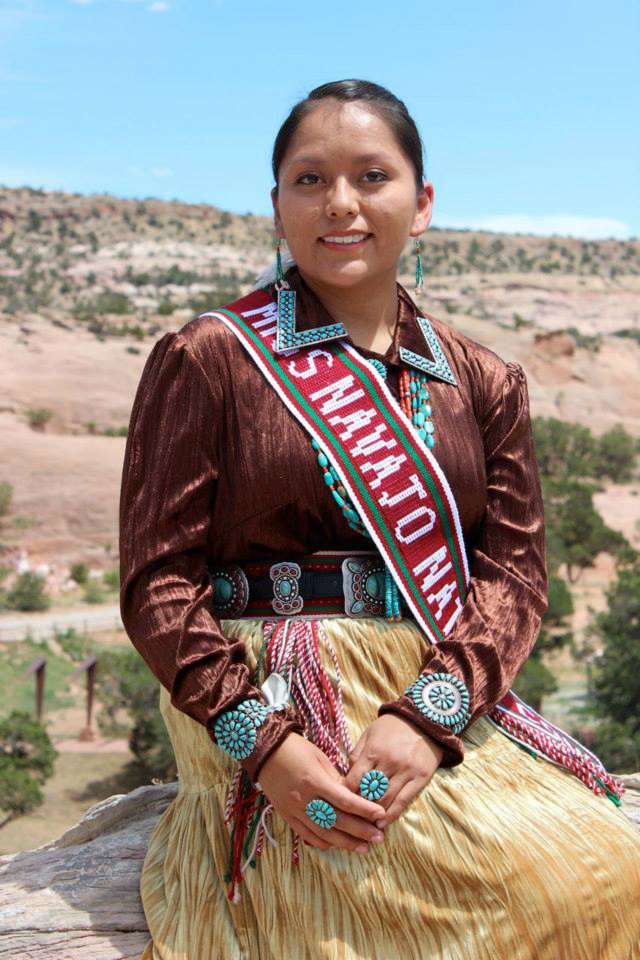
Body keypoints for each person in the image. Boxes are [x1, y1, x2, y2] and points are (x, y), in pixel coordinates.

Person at [119, 79, 640, 960]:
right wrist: (264, 742)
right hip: (267, 693)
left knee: (602, 869)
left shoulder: (483, 380)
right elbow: (157, 582)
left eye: (372, 175)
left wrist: (425, 717)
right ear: (277, 204)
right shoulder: (210, 357)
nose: (342, 203)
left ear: (422, 202)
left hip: (432, 692)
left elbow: (511, 576)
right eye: (310, 179)